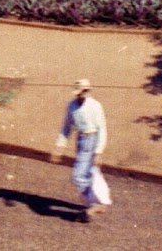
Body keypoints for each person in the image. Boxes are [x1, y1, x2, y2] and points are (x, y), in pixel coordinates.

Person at [55, 79, 109, 221]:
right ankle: (100, 201)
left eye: (85, 91)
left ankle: (95, 203)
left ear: (88, 91)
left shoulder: (95, 106)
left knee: (78, 176)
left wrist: (98, 152)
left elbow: (102, 129)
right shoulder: (71, 106)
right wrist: (60, 146)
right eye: (80, 92)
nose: (82, 94)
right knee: (90, 173)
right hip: (80, 140)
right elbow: (67, 127)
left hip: (92, 138)